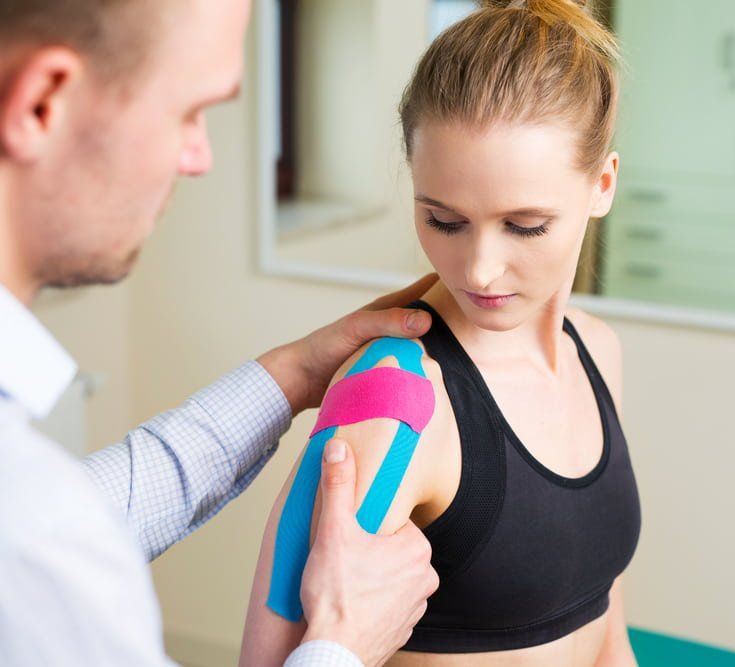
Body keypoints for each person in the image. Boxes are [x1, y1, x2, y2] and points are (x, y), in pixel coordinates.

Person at [0, 0, 438, 665]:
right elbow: (44, 529)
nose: (199, 156)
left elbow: (91, 504)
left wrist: (293, 374)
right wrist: (342, 643)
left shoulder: (40, 514)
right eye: (187, 112)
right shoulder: (39, 548)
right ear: (42, 104)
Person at [241, 1, 642, 665]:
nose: (479, 268)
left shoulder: (597, 351)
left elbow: (607, 623)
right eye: (444, 221)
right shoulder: (395, 397)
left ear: (601, 185)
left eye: (525, 225)